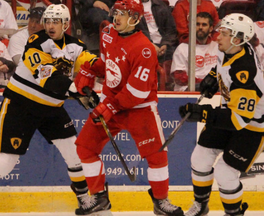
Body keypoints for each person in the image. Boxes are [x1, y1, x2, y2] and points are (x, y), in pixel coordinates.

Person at [0, 4, 99, 210]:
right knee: (5, 162)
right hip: (21, 105)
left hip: (51, 108)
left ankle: (84, 199)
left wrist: (108, 74)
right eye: (48, 21)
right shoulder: (36, 42)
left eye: (56, 21)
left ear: (66, 24)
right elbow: (47, 77)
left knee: (74, 153)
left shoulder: (75, 46)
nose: (50, 25)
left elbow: (90, 64)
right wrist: (76, 91)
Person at [73, 0, 184, 215]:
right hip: (111, 104)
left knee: (156, 156)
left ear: (135, 19)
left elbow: (137, 91)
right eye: (116, 13)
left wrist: (109, 107)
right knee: (85, 147)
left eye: (123, 14)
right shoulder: (108, 33)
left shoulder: (144, 49)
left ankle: (161, 201)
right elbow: (108, 64)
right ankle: (98, 197)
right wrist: (89, 69)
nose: (117, 18)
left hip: (139, 109)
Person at [178, 13, 264, 216]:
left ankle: (233, 213)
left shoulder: (245, 73)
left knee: (225, 173)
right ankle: (201, 205)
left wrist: (202, 113)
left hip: (252, 126)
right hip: (230, 113)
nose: (217, 36)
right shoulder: (229, 48)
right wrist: (213, 77)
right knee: (199, 157)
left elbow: (238, 120)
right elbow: (222, 67)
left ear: (237, 39)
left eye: (223, 33)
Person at [171, 12, 218, 91]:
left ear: (210, 28)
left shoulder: (217, 47)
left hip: (212, 88)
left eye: (204, 25)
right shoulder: (182, 48)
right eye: (197, 24)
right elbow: (179, 77)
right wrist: (203, 83)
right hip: (188, 89)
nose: (200, 27)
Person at [138, 0, 178, 90]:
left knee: (174, 53)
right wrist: (149, 44)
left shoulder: (161, 5)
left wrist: (165, 44)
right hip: (143, 45)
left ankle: (168, 88)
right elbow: (134, 31)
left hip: (163, 44)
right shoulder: (132, 7)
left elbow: (171, 29)